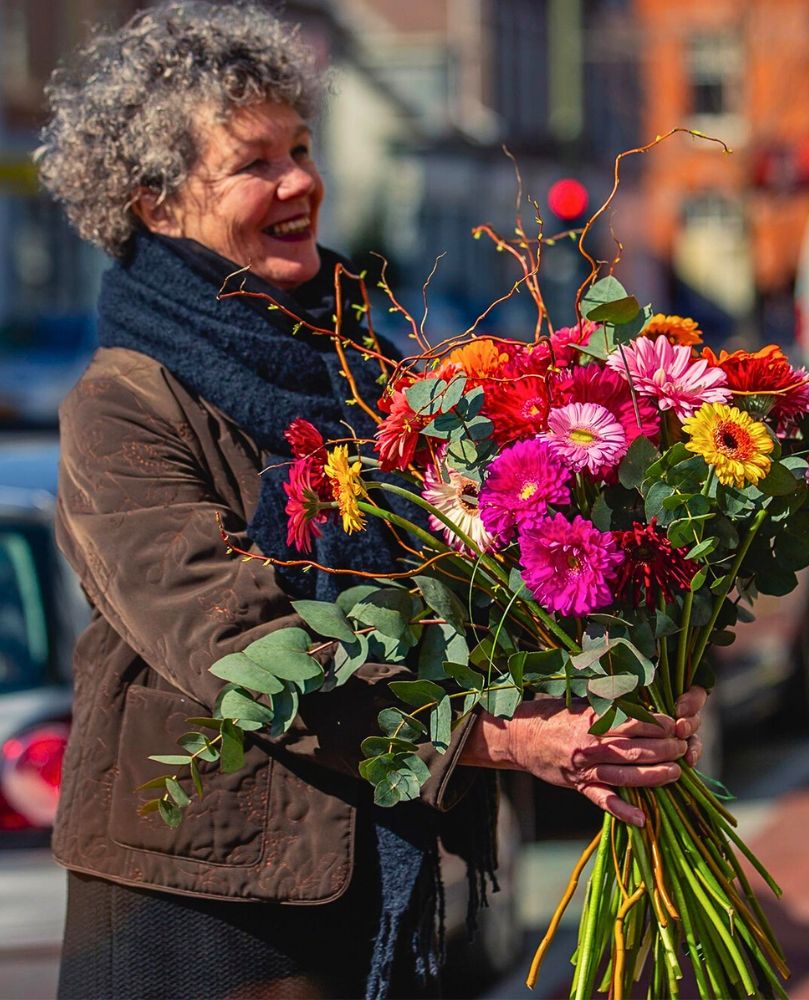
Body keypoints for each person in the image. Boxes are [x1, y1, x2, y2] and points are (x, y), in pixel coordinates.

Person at [37, 3, 707, 997]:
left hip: (361, 880)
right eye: (254, 161)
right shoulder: (121, 405)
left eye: (301, 146)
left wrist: (616, 677)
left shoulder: (363, 364)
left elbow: (474, 563)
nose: (300, 179)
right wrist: (510, 738)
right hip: (199, 903)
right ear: (156, 203)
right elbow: (240, 643)